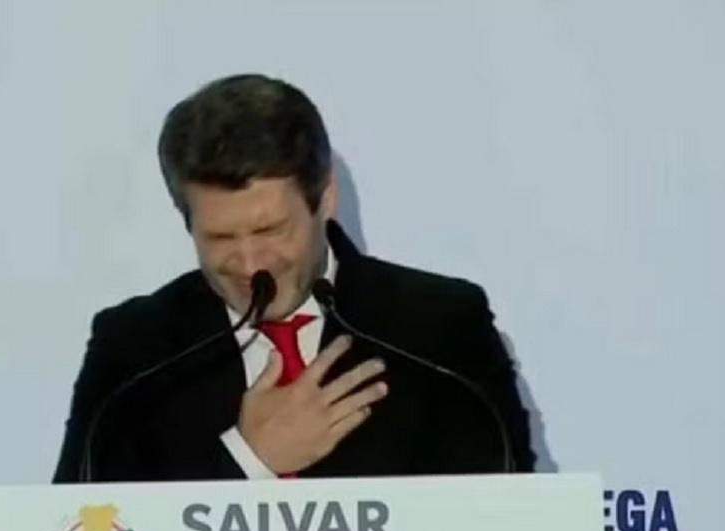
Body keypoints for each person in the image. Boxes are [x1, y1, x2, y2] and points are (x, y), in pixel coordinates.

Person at [52, 73, 535, 483]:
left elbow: (514, 522)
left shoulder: (441, 328)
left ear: (325, 199)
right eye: (219, 237)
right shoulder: (135, 349)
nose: (249, 264)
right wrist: (248, 461)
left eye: (270, 230)